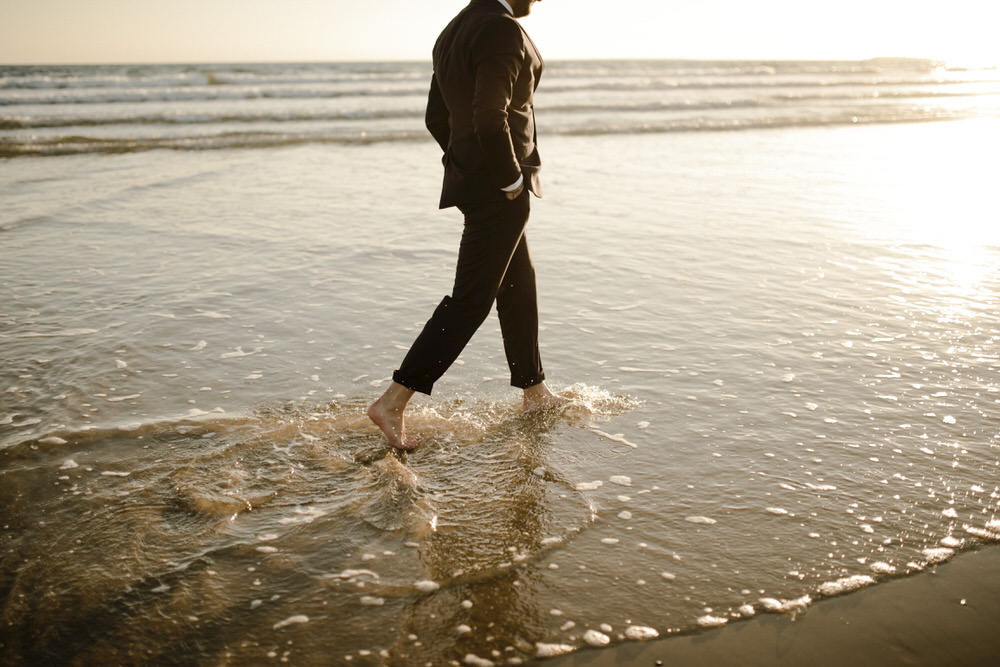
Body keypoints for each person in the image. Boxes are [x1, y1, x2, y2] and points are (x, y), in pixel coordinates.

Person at [368, 0, 565, 451]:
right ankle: (394, 400)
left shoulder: (453, 31)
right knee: (471, 300)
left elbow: (436, 117)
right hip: (500, 184)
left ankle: (534, 391)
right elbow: (489, 115)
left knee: (518, 283)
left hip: (476, 180)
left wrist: (464, 163)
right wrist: (508, 176)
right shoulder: (501, 29)